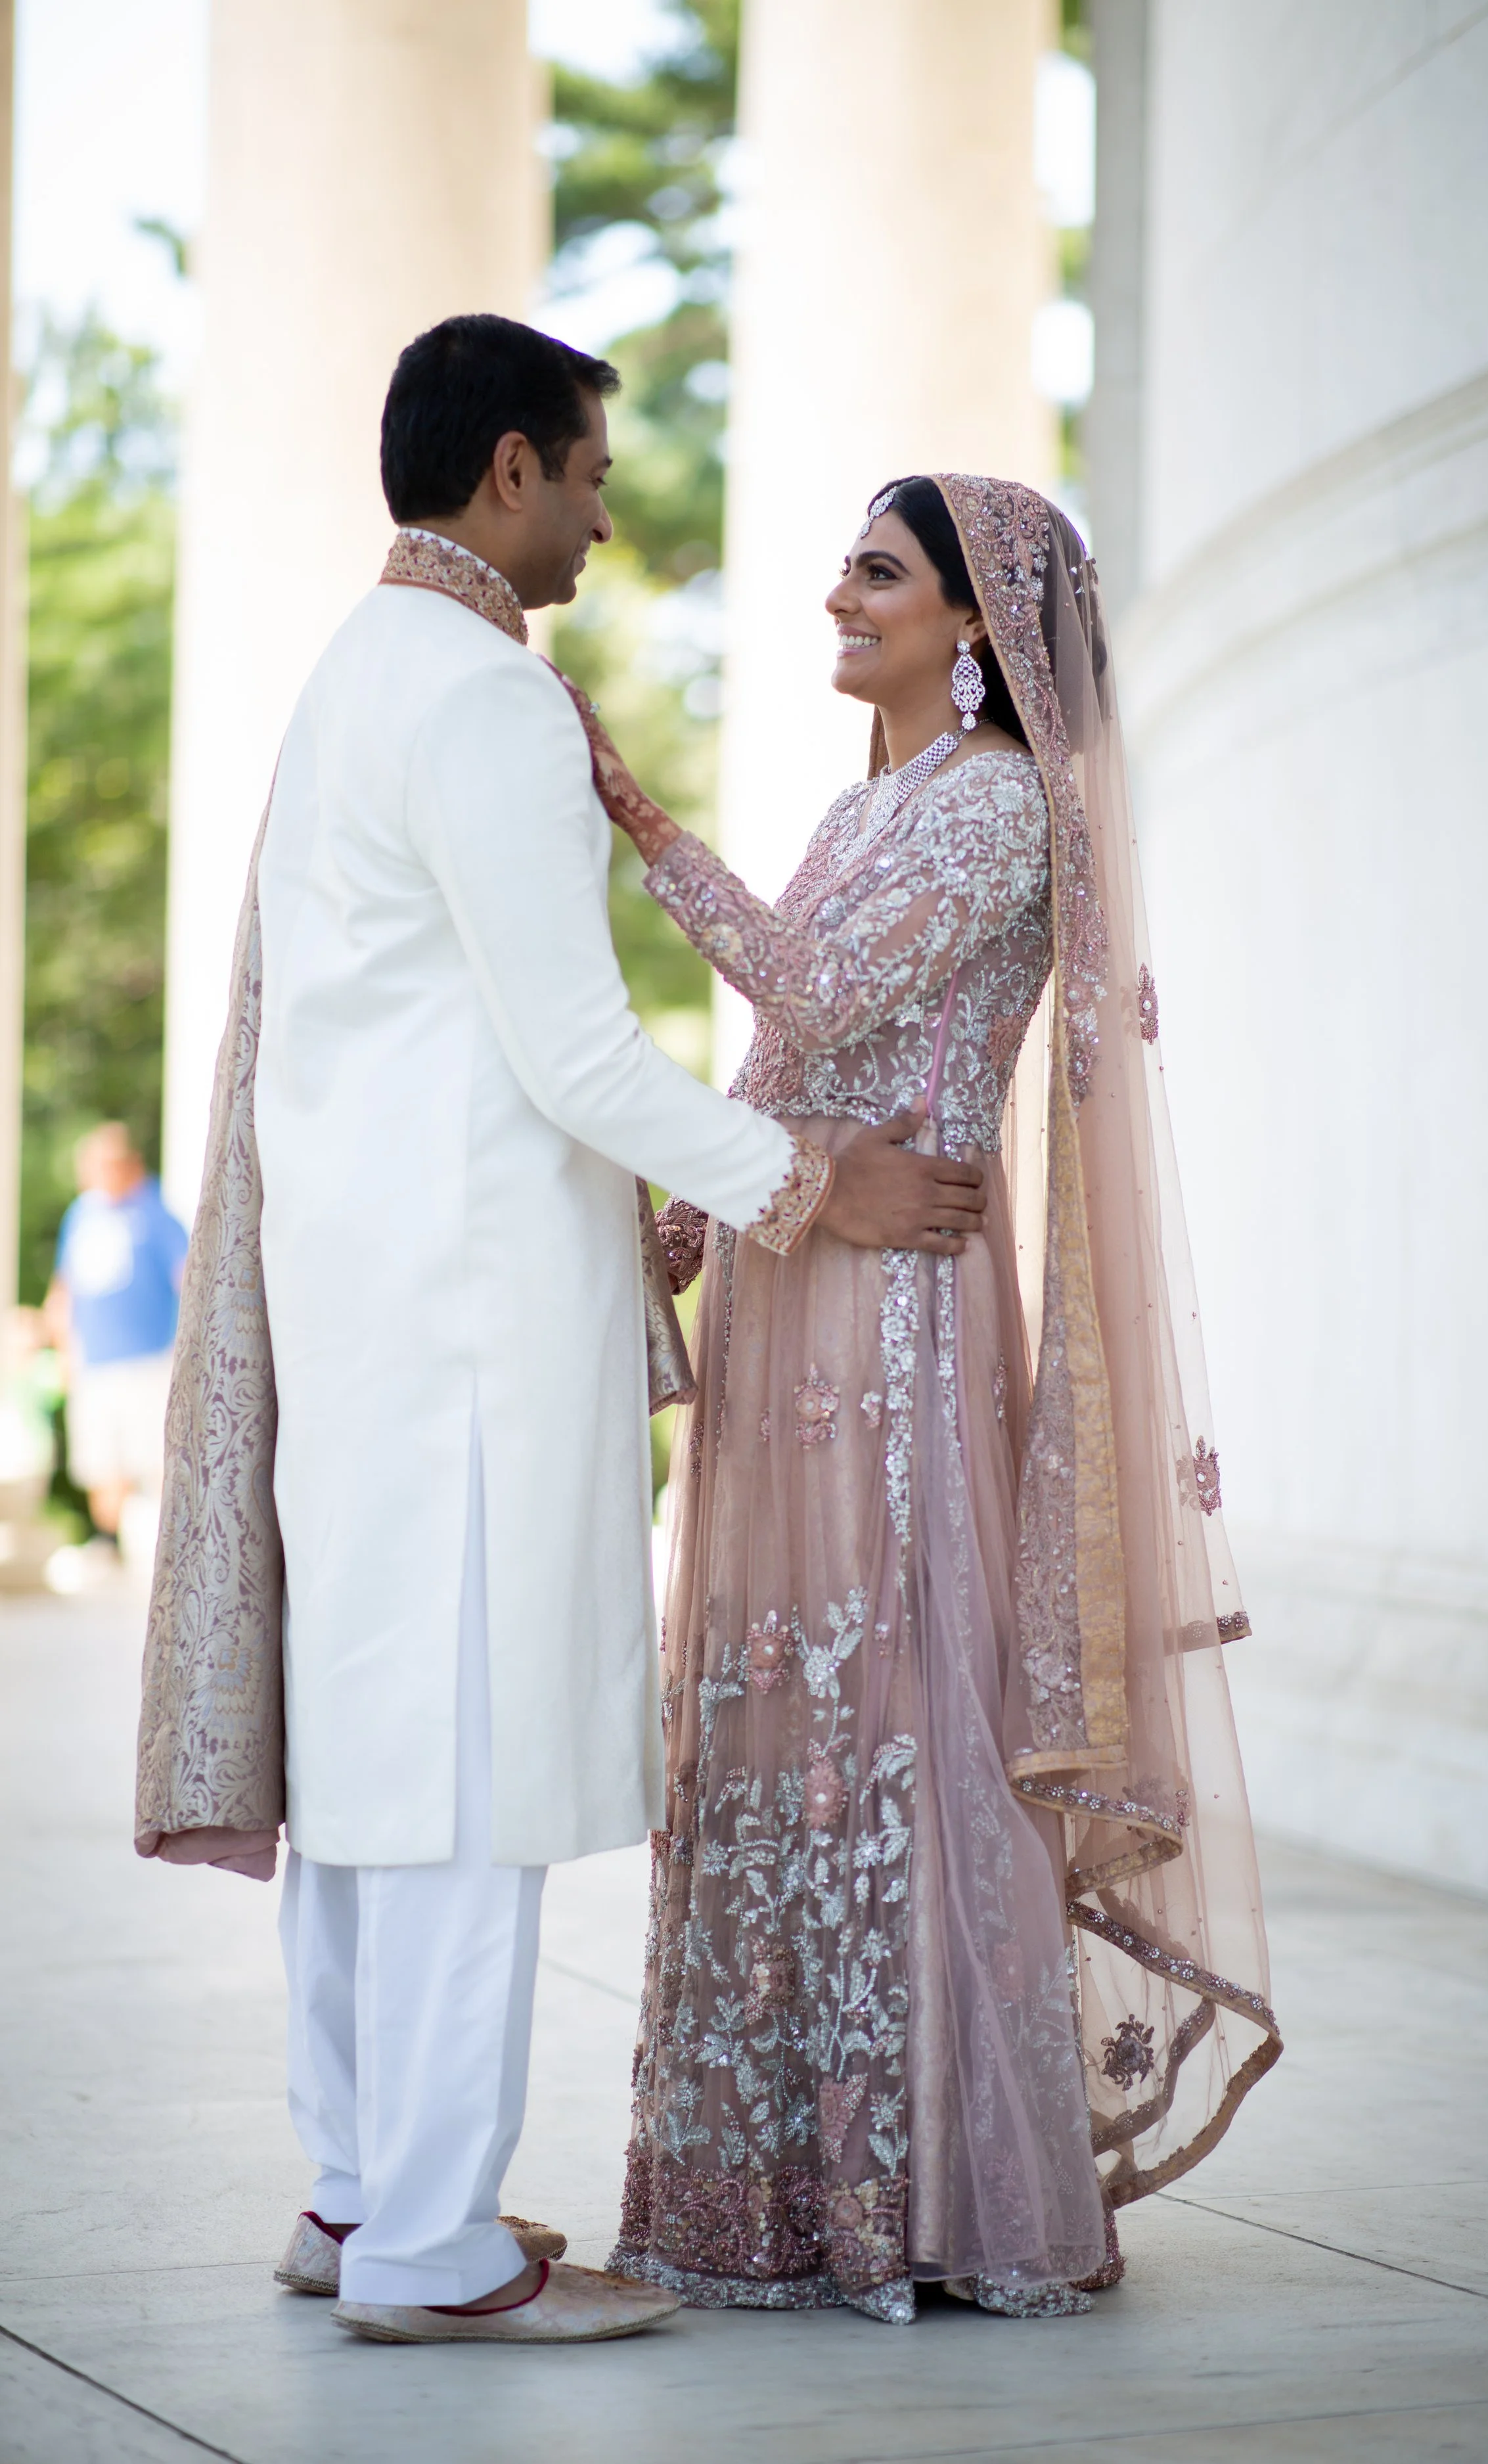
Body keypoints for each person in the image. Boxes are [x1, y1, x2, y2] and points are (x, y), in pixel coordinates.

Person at [141, 317, 989, 2350]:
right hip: (469, 1323)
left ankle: (359, 2192)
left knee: (370, 1759)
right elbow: (574, 1043)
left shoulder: (360, 672)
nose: (607, 512)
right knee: (466, 1763)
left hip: (370, 1306)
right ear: (510, 468)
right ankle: (436, 2242)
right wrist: (805, 1175)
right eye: (593, 472)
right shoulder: (487, 701)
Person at [573, 474, 1283, 2321]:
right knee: (786, 1715)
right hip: (793, 1284)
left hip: (896, 1316)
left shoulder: (991, 811)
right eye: (847, 567)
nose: (837, 595)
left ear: (976, 625)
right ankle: (784, 2183)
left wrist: (632, 808)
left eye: (877, 573)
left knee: (904, 1707)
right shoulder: (864, 801)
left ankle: (952, 2183)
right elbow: (791, 1043)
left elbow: (801, 974)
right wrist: (685, 1207)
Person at [43, 1123, 187, 1557]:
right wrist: (65, 1346)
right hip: (96, 1361)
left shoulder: (156, 1214)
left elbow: (186, 1277)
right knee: (101, 1460)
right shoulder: (82, 1215)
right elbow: (64, 1286)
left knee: (154, 1457)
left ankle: (168, 1550)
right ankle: (107, 1545)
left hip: (149, 1357)